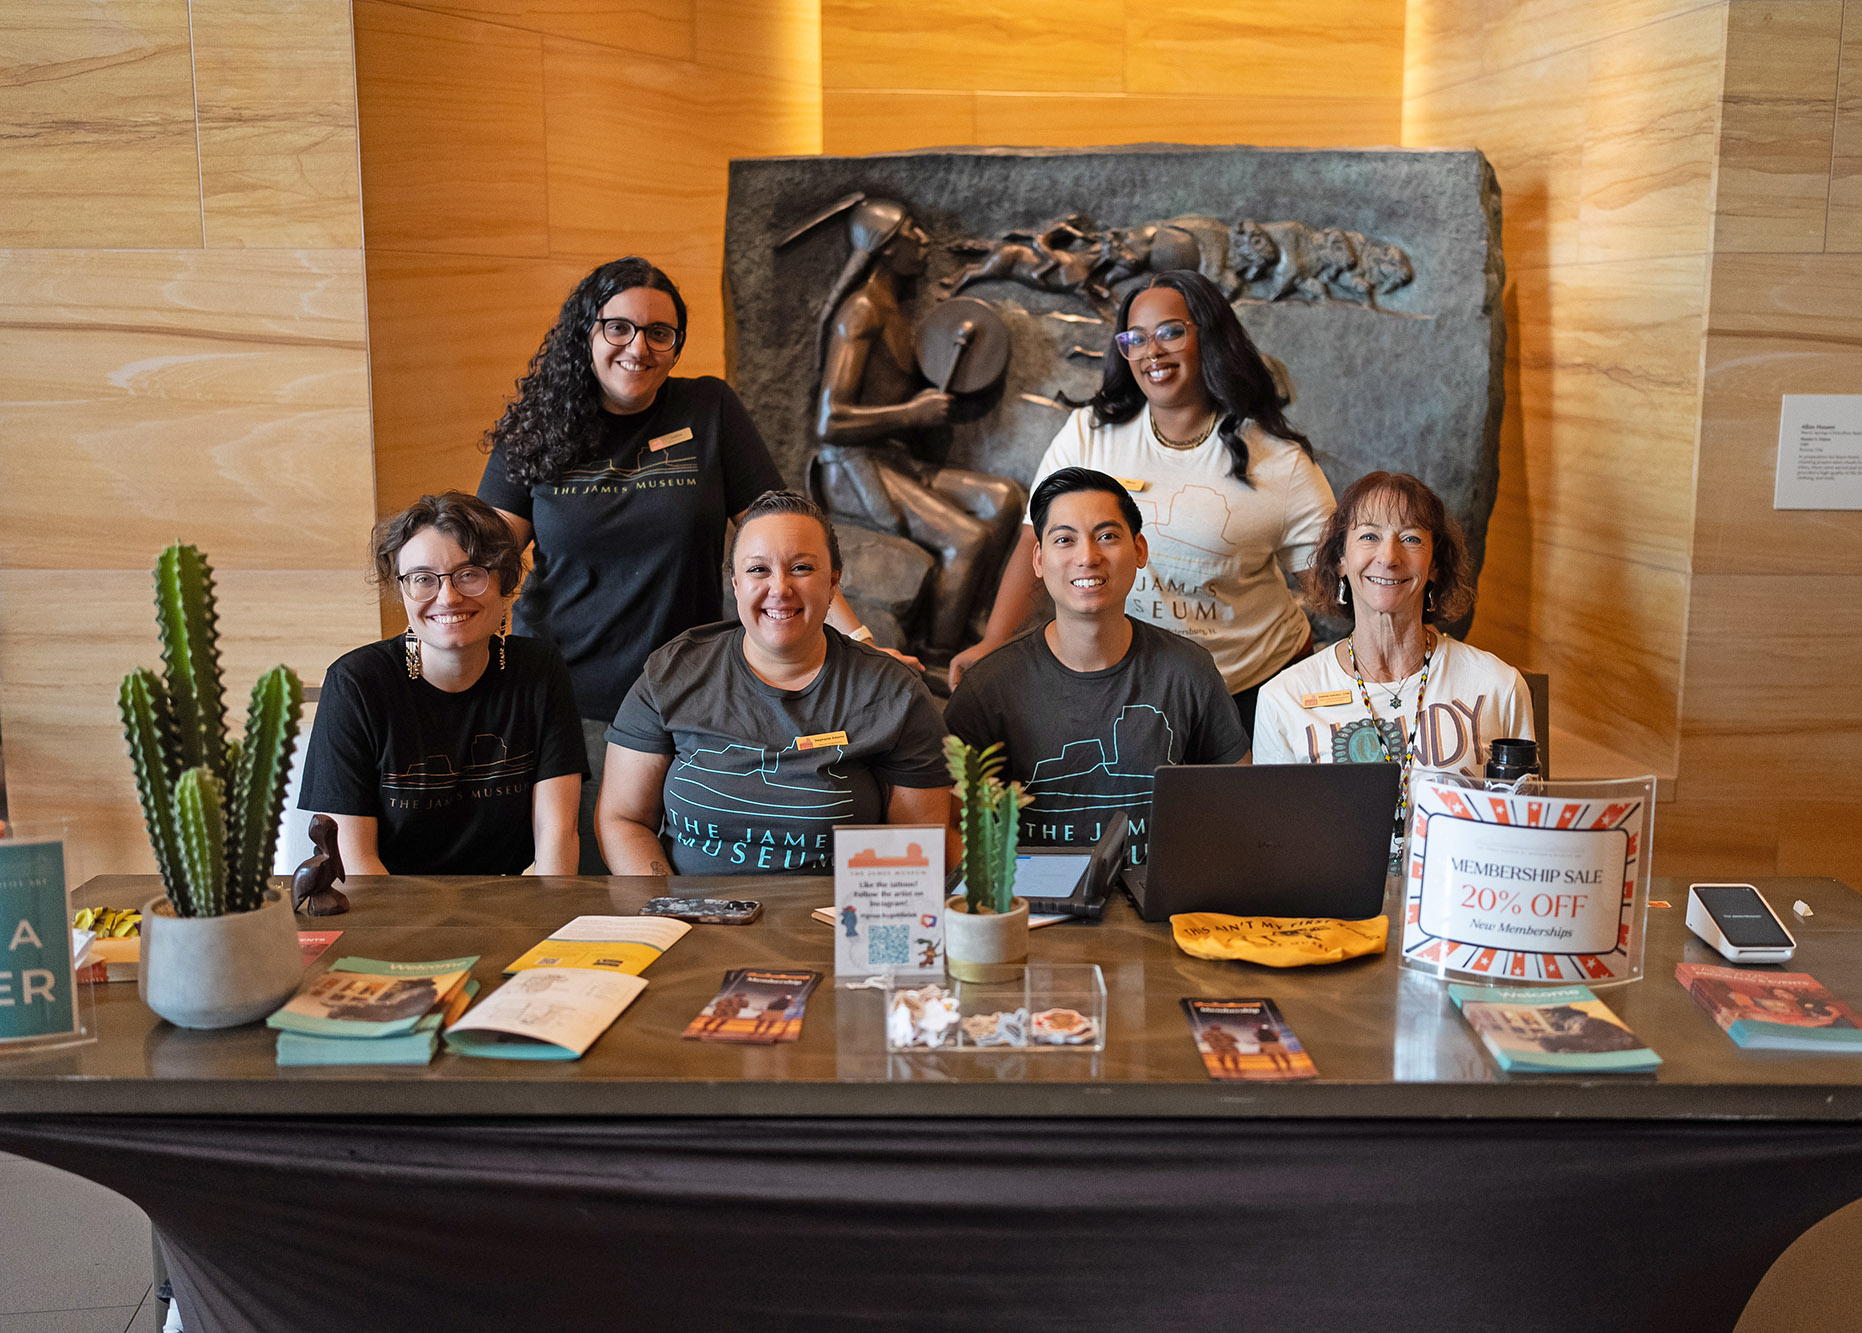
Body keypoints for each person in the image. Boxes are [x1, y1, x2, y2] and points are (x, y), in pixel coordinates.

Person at [479, 257, 899, 872]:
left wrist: (860, 640)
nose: (638, 347)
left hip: (694, 702)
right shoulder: (536, 429)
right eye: (618, 328)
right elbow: (481, 561)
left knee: (699, 882)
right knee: (596, 890)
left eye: (659, 333)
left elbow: (787, 542)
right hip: (571, 704)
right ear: (586, 333)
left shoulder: (708, 408)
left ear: (675, 345)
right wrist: (431, 665)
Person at [948, 270, 1335, 734]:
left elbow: (1335, 587)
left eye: (1170, 332)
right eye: (1135, 338)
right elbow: (1037, 541)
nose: (1151, 351)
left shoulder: (1280, 461)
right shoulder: (1089, 434)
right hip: (1130, 687)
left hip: (1251, 688)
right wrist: (993, 641)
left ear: (1208, 336)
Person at [597, 491, 952, 876]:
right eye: (758, 570)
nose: (780, 589)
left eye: (801, 568)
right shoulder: (673, 671)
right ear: (735, 584)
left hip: (828, 927)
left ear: (833, 583)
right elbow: (622, 819)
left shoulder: (893, 692)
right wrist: (669, 912)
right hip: (691, 924)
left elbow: (916, 851)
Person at [945, 467, 1247, 864]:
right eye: (1064, 540)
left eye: (1107, 536)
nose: (1087, 557)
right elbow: (950, 823)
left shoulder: (1188, 671)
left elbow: (1237, 803)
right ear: (1039, 559)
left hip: (1156, 911)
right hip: (1032, 914)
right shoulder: (989, 687)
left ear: (1140, 550)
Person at [299, 492, 587, 876]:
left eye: (470, 574)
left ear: (504, 582)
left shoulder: (539, 670)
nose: (448, 597)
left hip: (516, 911)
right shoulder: (356, 684)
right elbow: (357, 867)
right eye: (423, 579)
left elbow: (558, 840)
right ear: (401, 590)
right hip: (391, 918)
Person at [1252, 471, 1533, 844]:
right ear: (1340, 560)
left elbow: (1527, 838)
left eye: (1412, 538)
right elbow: (1276, 846)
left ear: (1434, 565)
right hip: (1334, 902)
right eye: (1369, 536)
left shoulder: (1499, 686)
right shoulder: (1283, 699)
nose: (1388, 556)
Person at [809, 197, 1024, 653]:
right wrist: (912, 414)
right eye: (912, 232)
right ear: (886, 247)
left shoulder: (894, 311)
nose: (925, 240)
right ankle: (940, 656)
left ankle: (965, 618)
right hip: (853, 469)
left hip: (893, 459)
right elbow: (830, 420)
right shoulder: (862, 310)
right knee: (966, 541)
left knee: (1004, 499)